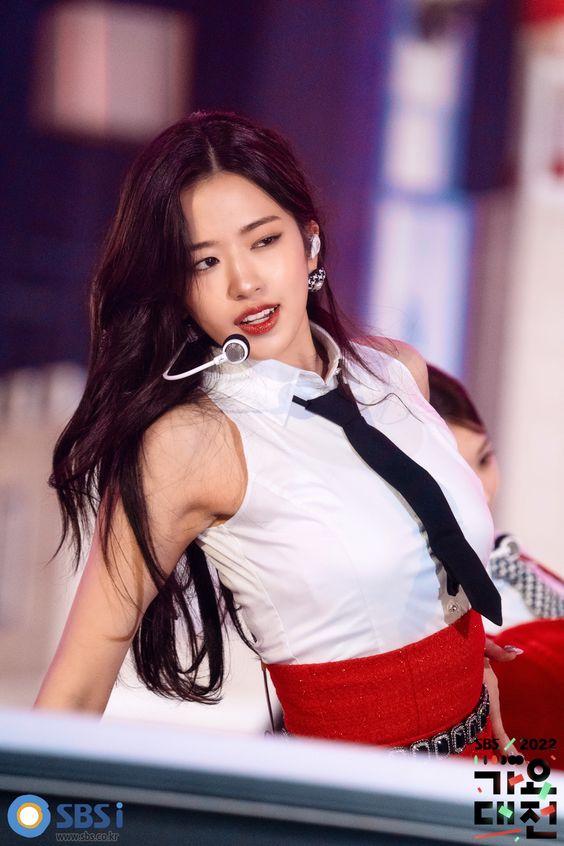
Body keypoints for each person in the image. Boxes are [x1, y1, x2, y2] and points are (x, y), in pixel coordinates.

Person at [35, 111, 507, 758]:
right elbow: (74, 690)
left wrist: (468, 669)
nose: (244, 282)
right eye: (205, 261)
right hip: (354, 794)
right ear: (178, 290)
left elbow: (423, 567)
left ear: (309, 243)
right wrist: (30, 810)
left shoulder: (397, 372)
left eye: (263, 241)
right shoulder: (190, 444)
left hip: (492, 764)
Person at [428, 364, 564, 767]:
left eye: (485, 459)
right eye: (453, 476)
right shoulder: (420, 609)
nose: (482, 493)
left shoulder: (511, 560)